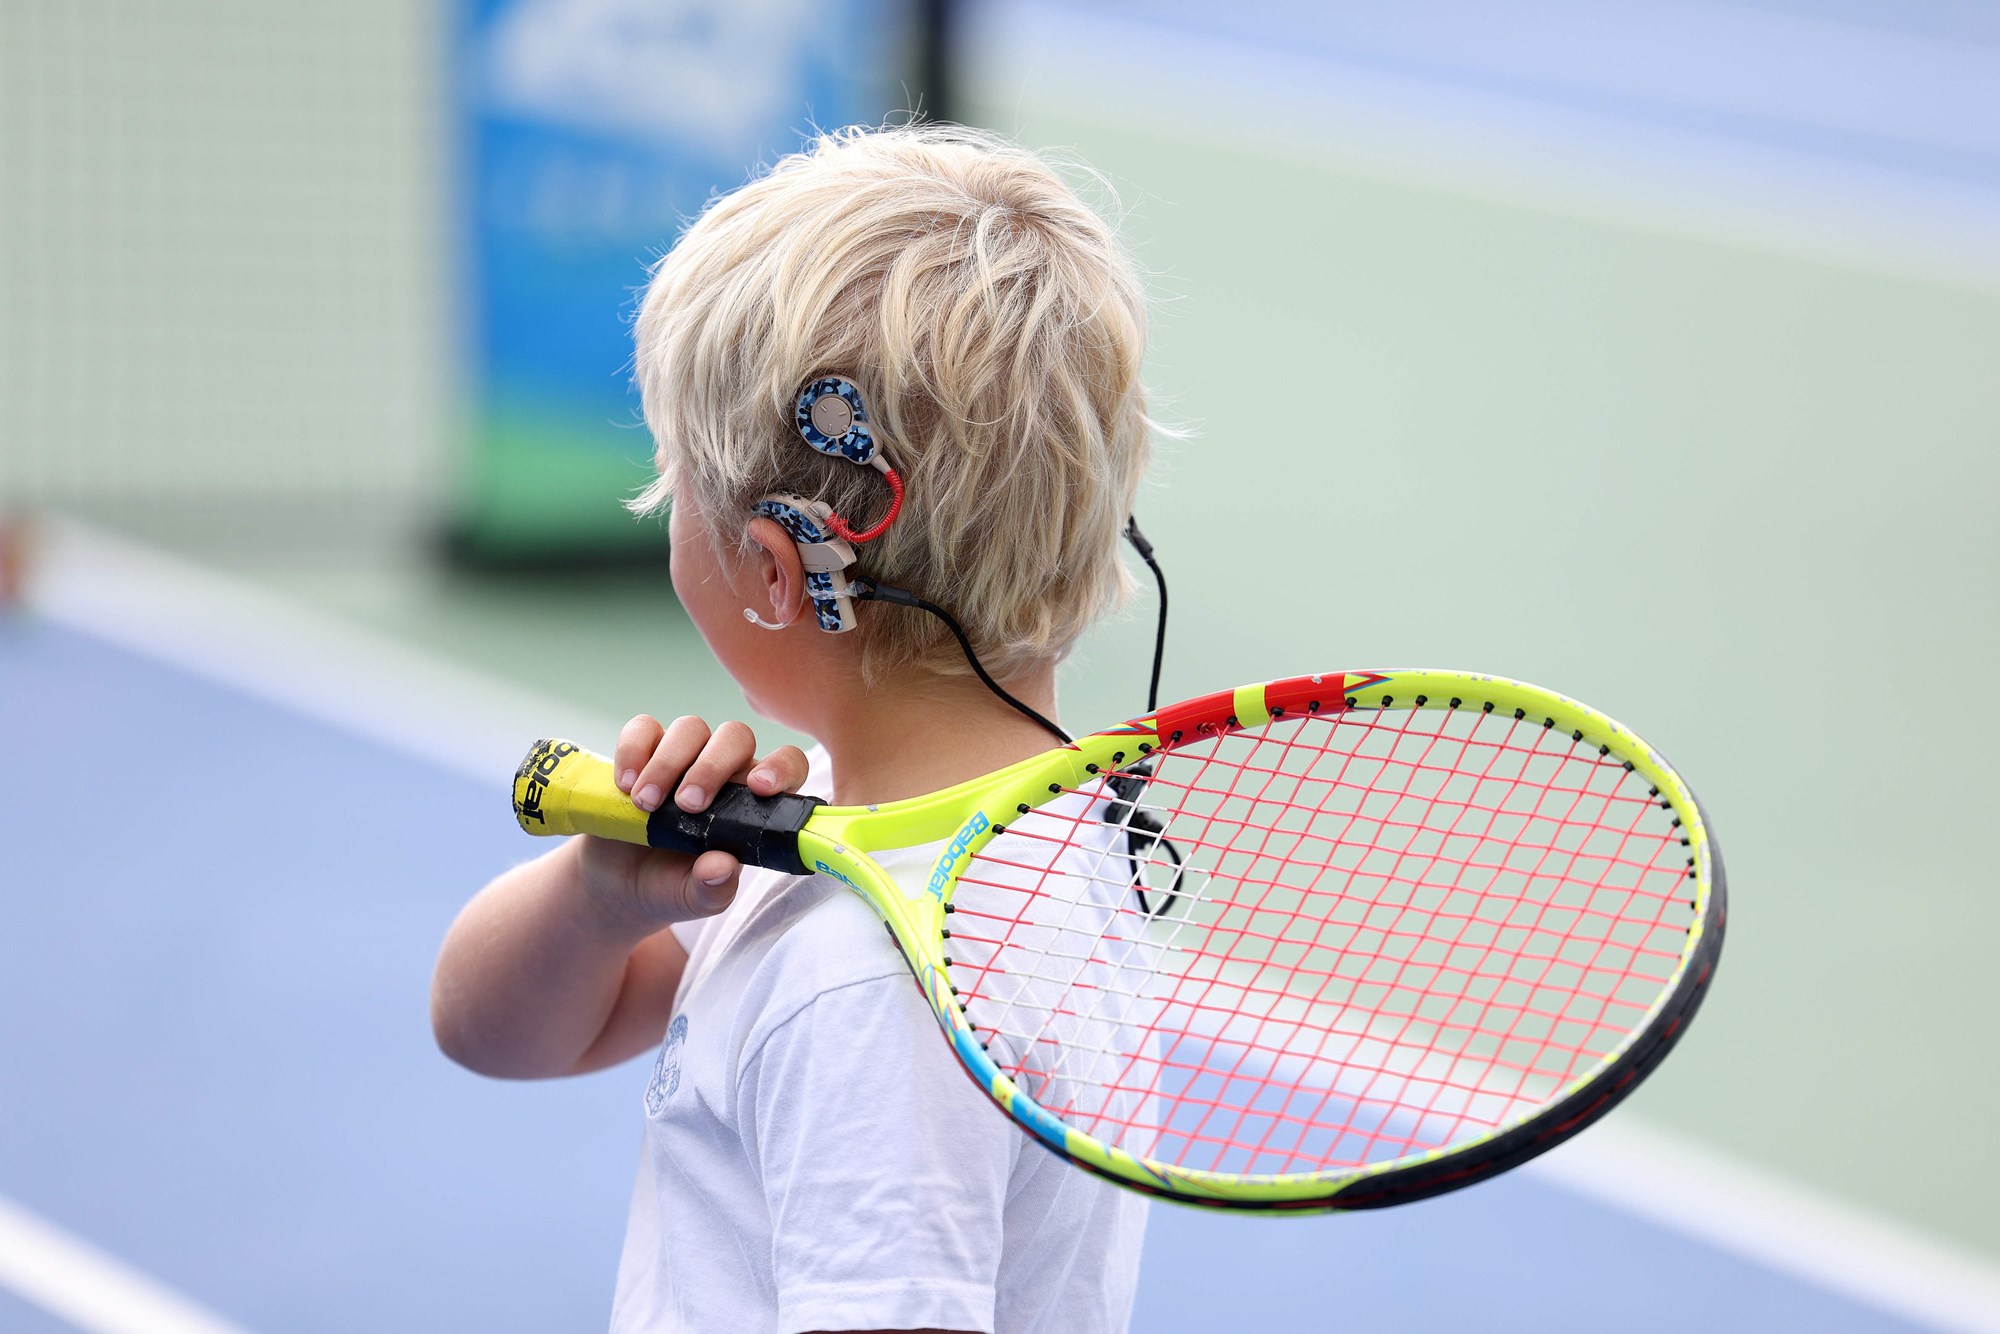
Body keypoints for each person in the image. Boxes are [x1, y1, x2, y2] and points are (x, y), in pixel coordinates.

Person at [430, 123, 1160, 1334]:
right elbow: (491, 1029)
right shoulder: (999, 832)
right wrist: (596, 901)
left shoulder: (868, 974)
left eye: (671, 484)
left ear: (777, 573)